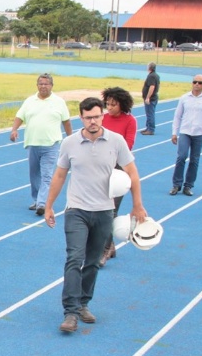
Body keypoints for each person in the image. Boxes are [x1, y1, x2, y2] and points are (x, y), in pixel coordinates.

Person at [44, 97, 147, 334]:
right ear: (81, 117)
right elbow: (60, 175)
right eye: (88, 117)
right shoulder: (69, 143)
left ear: (102, 116)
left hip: (104, 212)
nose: (93, 121)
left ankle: (83, 304)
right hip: (76, 210)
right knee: (74, 258)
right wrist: (49, 206)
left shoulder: (116, 141)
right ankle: (70, 312)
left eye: (97, 116)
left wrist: (137, 205)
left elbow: (132, 173)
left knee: (92, 262)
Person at [9, 73, 72, 216]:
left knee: (47, 175)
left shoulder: (59, 102)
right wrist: (14, 130)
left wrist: (71, 139)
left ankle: (42, 204)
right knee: (34, 175)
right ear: (37, 85)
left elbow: (66, 122)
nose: (43, 86)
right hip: (32, 143)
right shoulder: (30, 101)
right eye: (41, 83)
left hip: (51, 145)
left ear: (51, 85)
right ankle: (37, 199)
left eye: (46, 83)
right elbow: (20, 116)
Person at [100, 86, 137, 262]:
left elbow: (128, 145)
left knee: (111, 211)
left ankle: (105, 249)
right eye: (107, 104)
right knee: (100, 210)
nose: (110, 107)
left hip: (119, 170)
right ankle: (110, 245)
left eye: (114, 104)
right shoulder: (102, 118)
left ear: (122, 104)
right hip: (100, 169)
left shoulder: (130, 121)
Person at [170, 74, 202, 196]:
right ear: (192, 83)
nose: (197, 84)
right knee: (181, 157)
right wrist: (174, 133)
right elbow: (177, 116)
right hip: (185, 132)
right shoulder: (184, 98)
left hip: (199, 133)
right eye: (195, 82)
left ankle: (188, 186)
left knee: (194, 160)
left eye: (200, 82)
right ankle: (176, 185)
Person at [141, 62, 160, 135]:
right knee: (149, 113)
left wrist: (148, 97)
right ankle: (148, 127)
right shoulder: (156, 75)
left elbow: (152, 87)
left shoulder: (151, 76)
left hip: (151, 98)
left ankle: (150, 129)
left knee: (150, 114)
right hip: (154, 97)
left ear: (149, 68)